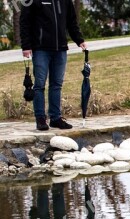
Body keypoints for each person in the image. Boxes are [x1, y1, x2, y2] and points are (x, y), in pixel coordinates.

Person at [19, 0, 87, 131]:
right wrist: (26, 46)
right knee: (39, 85)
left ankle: (55, 118)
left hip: (60, 48)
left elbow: (71, 21)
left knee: (56, 84)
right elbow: (24, 22)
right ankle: (40, 119)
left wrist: (79, 40)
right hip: (40, 49)